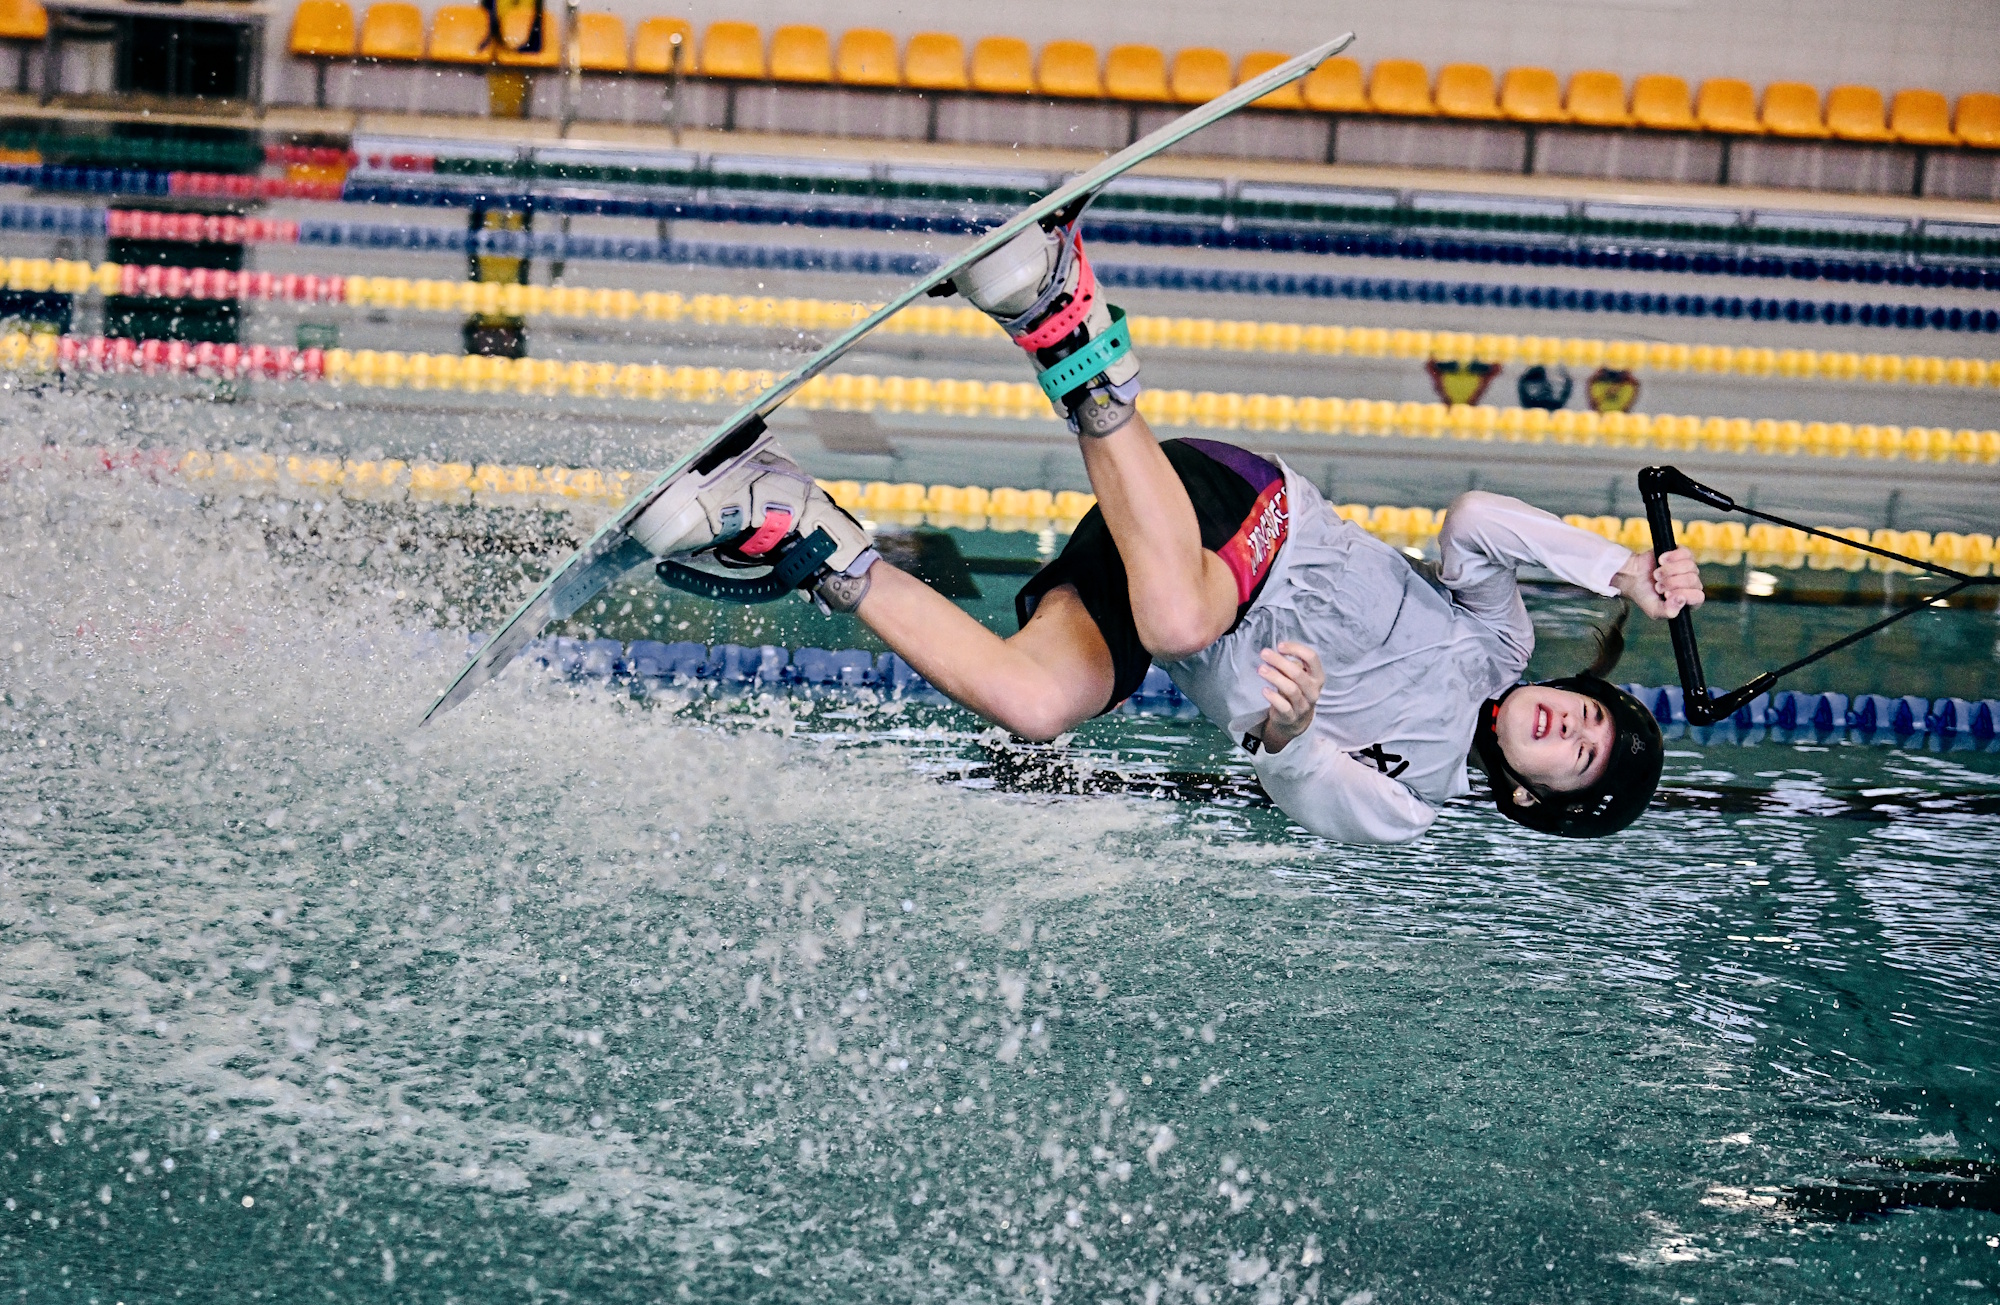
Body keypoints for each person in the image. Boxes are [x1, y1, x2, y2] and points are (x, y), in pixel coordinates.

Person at [626, 223, 1706, 843]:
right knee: (1182, 618)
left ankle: (796, 526)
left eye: (1575, 756)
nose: (1570, 725)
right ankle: (1058, 315)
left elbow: (1303, 785)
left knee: (1035, 705)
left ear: (1527, 796)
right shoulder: (1500, 644)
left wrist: (1293, 727)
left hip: (1164, 588)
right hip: (1244, 514)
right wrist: (1620, 567)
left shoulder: (1412, 802)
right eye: (1589, 716)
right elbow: (1474, 522)